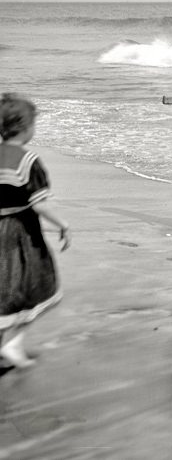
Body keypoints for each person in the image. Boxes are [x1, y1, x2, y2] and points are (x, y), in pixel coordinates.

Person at [0, 94, 70, 368]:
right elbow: (39, 204)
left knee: (4, 287)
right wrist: (63, 224)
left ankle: (7, 342)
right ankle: (12, 344)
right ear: (27, 127)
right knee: (32, 285)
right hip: (19, 233)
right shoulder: (28, 160)